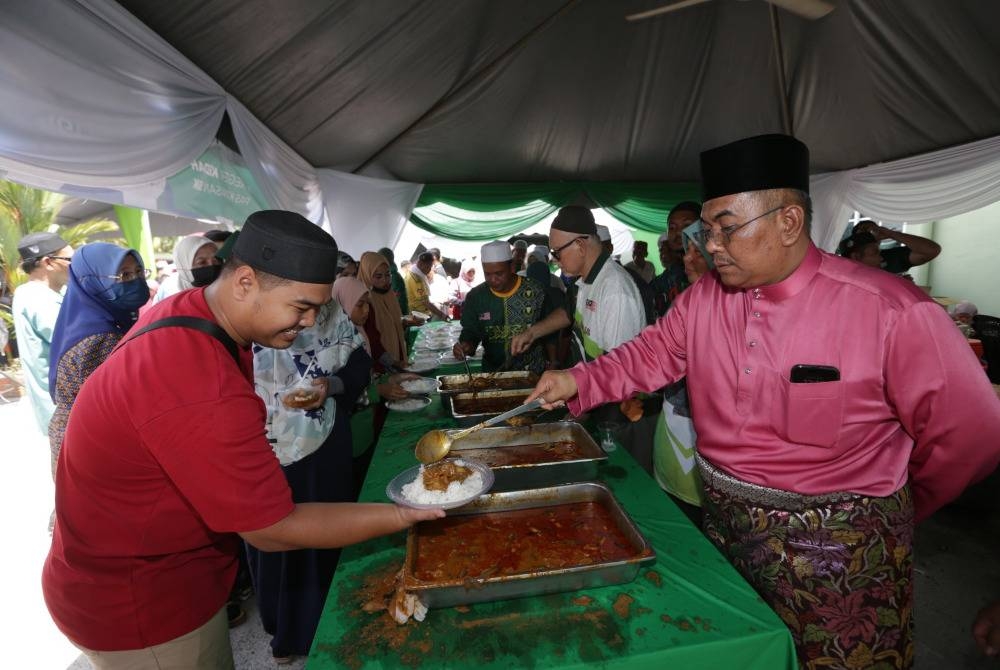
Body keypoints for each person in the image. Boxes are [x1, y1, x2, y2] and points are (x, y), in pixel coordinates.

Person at [524, 134, 1000, 669]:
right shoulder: (704, 299)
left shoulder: (891, 311)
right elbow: (649, 354)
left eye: (727, 228)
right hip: (726, 529)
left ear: (789, 222)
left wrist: (898, 506)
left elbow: (973, 433)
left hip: (838, 554)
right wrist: (578, 381)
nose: (710, 246)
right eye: (708, 231)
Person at [42, 210, 442, 669]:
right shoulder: (196, 377)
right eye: (300, 307)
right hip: (141, 603)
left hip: (164, 575)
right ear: (245, 281)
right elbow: (272, 527)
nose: (311, 323)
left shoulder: (192, 311)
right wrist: (403, 513)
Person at [250, 276, 371, 664]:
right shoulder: (242, 319)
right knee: (279, 540)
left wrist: (332, 385)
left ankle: (331, 621)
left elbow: (359, 359)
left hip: (325, 440)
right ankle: (287, 634)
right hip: (263, 448)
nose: (310, 317)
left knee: (328, 531)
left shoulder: (331, 313)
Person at [511, 207, 656, 472]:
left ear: (580, 244)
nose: (555, 260)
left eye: (557, 252)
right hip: (599, 403)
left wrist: (579, 410)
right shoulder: (586, 281)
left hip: (622, 414)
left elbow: (617, 371)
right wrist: (532, 332)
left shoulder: (615, 291)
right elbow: (568, 313)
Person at [48, 243, 148, 479]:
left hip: (75, 435)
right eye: (123, 275)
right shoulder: (102, 337)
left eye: (138, 272)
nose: (134, 280)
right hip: (94, 443)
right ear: (90, 280)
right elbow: (117, 405)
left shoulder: (82, 320)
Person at [452, 241, 554, 375]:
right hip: (493, 374)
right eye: (487, 274)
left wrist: (554, 362)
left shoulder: (535, 291)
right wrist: (466, 346)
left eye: (499, 273)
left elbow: (551, 330)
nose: (493, 279)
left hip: (532, 374)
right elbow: (471, 331)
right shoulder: (476, 297)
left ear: (512, 266)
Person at [11, 232, 73, 435]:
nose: (74, 265)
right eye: (69, 259)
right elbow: (74, 343)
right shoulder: (38, 298)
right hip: (64, 408)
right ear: (48, 262)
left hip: (58, 407)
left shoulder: (33, 293)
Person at [652, 201, 701, 315]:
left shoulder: (717, 272)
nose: (678, 232)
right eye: (672, 227)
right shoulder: (662, 280)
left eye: (686, 225)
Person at [853, 218, 941, 274]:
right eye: (863, 231)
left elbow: (932, 250)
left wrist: (891, 234)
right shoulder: (846, 260)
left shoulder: (889, 256)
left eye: (873, 231)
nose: (868, 235)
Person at [153, 234, 221, 303]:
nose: (211, 265)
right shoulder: (168, 295)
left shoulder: (226, 294)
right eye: (202, 262)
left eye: (215, 260)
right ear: (183, 265)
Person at [405, 251, 449, 321]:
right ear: (420, 264)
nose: (429, 270)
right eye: (428, 266)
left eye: (431, 267)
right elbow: (426, 302)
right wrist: (442, 315)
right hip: (418, 316)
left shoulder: (413, 274)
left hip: (420, 314)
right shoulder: (416, 279)